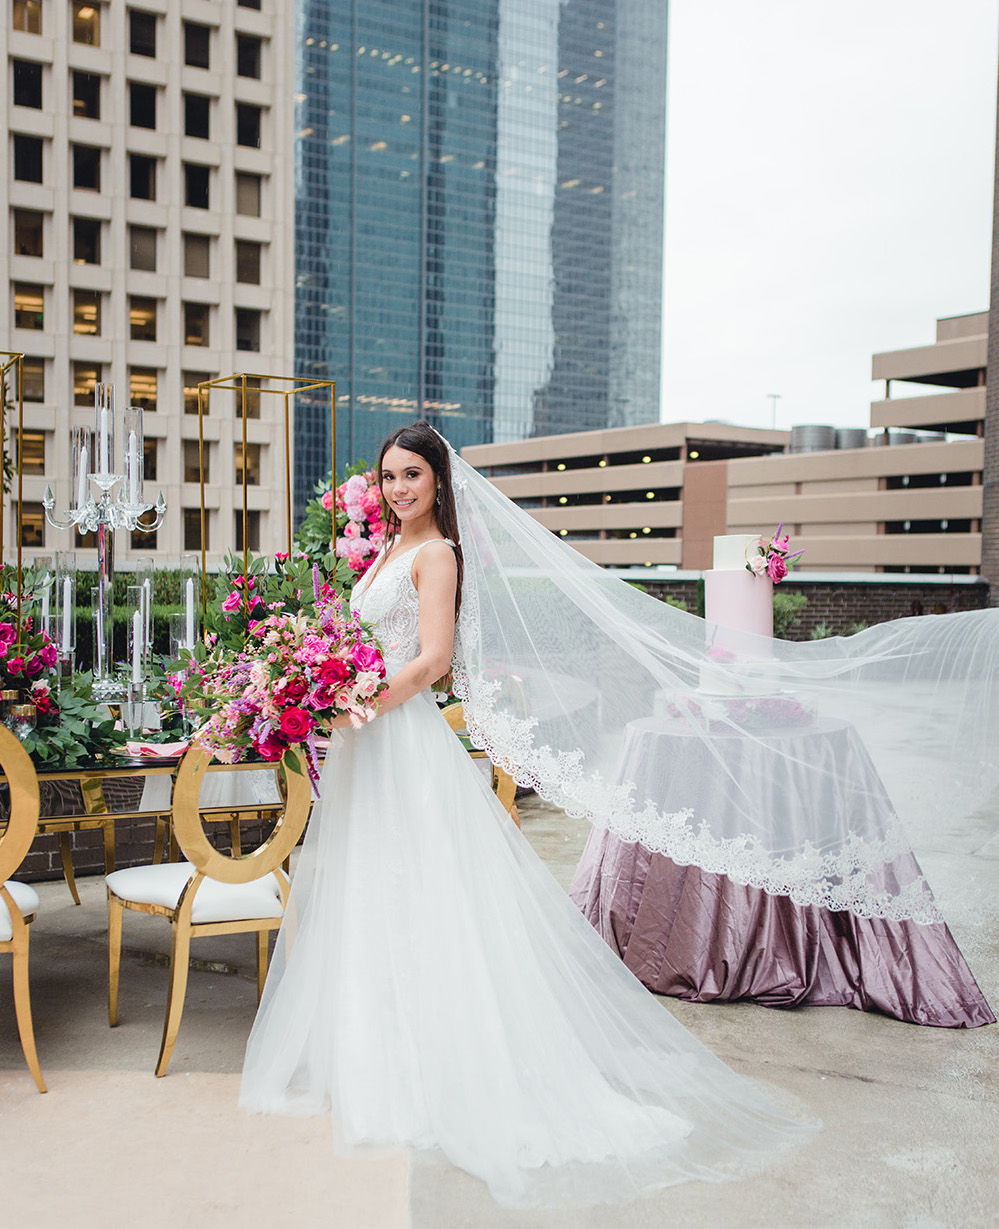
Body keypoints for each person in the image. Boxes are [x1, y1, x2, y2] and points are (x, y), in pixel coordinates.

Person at [239, 420, 818, 1208]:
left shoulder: (437, 554)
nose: (396, 488)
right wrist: (324, 683)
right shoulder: (379, 552)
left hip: (397, 740)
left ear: (438, 481)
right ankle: (372, 1055)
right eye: (386, 477)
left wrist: (355, 699)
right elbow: (364, 639)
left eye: (410, 475)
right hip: (363, 745)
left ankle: (438, 1064)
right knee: (370, 889)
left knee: (422, 890)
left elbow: (435, 659)